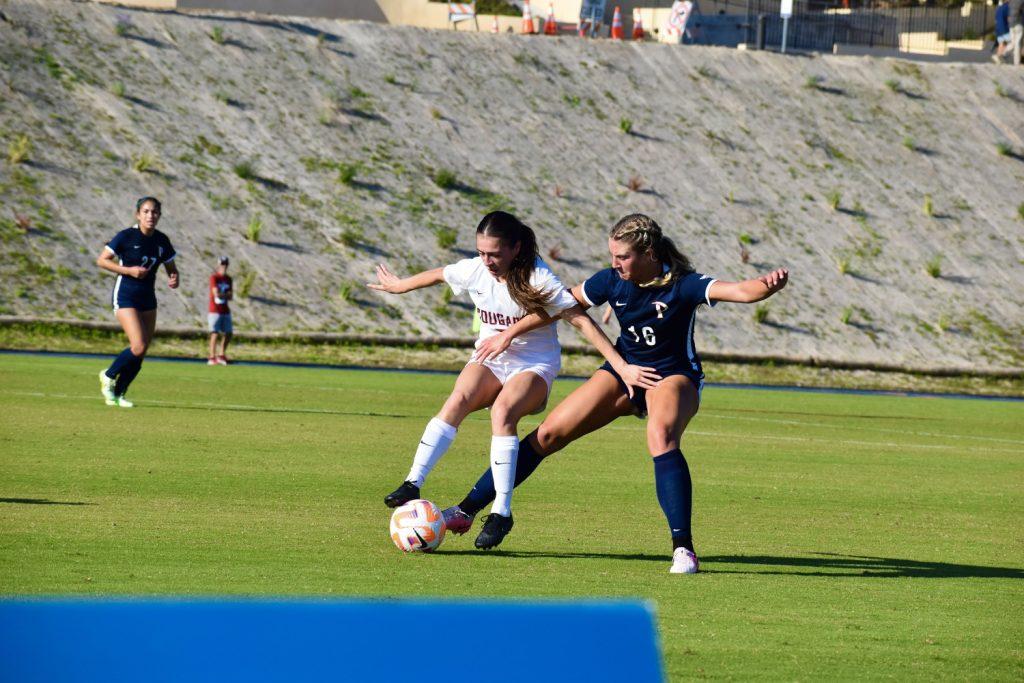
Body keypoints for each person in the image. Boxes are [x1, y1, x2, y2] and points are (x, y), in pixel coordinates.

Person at [441, 214, 789, 573]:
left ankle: (683, 549)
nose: (614, 263)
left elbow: (740, 291)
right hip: (623, 371)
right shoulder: (611, 281)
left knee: (661, 436)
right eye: (612, 255)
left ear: (649, 253)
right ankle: (465, 510)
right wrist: (508, 334)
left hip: (671, 377)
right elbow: (559, 306)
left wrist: (766, 286)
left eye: (622, 256)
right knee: (547, 434)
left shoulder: (682, 285)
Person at [369, 211, 659, 550]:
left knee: (503, 412)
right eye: (481, 252)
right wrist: (400, 286)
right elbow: (439, 274)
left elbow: (580, 321)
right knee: (458, 398)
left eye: (495, 254)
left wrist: (621, 367)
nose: (487, 261)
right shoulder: (475, 270)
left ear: (516, 249)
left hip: (533, 366)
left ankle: (501, 513)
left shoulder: (538, 277)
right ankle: (412, 482)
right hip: (493, 358)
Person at [96, 197, 179, 407]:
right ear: (138, 214)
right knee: (138, 345)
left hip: (147, 298)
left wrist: (174, 277)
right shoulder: (126, 236)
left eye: (155, 212)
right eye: (146, 211)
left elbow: (171, 267)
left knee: (142, 351)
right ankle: (109, 374)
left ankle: (119, 394)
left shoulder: (162, 240)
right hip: (126, 295)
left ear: (159, 215)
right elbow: (102, 260)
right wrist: (129, 270)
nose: (151, 216)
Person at [208, 256, 233, 365]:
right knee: (215, 333)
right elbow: (215, 293)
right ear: (219, 265)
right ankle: (212, 357)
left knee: (229, 332)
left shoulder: (228, 279)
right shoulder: (214, 277)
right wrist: (224, 295)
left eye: (226, 264)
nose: (224, 266)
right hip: (215, 310)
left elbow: (231, 295)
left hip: (225, 310)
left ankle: (221, 355)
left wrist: (223, 295)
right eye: (222, 264)